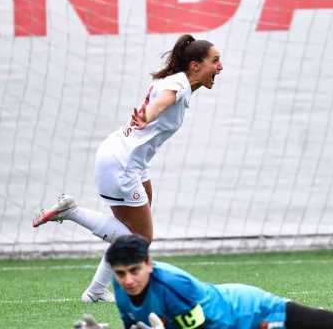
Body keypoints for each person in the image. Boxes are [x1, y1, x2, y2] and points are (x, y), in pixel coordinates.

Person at [33, 34, 223, 302]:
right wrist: (147, 116)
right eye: (215, 61)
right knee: (141, 239)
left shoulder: (176, 80)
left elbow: (166, 99)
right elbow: (161, 104)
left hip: (128, 160)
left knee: (132, 229)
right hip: (121, 163)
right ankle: (72, 212)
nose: (220, 67)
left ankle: (96, 291)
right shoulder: (178, 83)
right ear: (194, 65)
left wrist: (148, 117)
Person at [75, 234, 333, 329]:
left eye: (134, 271)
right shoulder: (125, 298)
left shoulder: (173, 287)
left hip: (253, 312)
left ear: (149, 263)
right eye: (121, 274)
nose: (127, 280)